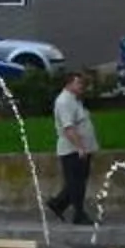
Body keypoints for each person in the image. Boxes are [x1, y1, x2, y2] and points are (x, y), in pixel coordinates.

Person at [45, 70, 97, 226]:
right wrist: (80, 147)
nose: (82, 86)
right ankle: (79, 214)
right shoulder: (64, 102)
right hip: (72, 149)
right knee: (76, 183)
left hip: (81, 149)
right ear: (69, 84)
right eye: (78, 83)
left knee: (77, 181)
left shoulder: (74, 100)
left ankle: (57, 204)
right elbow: (68, 128)